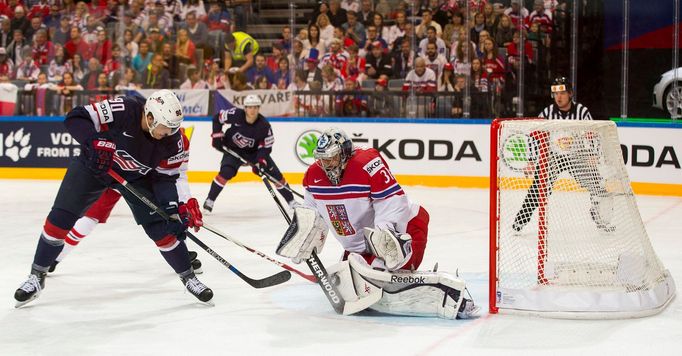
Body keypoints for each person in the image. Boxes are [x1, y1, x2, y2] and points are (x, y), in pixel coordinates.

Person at [13, 90, 211, 308]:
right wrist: (94, 141)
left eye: (175, 127)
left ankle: (189, 277)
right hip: (94, 168)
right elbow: (76, 117)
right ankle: (37, 276)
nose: (172, 132)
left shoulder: (174, 141)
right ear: (151, 117)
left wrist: (172, 208)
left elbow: (165, 179)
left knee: (162, 228)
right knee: (59, 220)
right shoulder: (125, 109)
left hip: (136, 178)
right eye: (168, 126)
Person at [276, 128, 477, 319]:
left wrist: (384, 242)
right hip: (362, 246)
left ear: (345, 153)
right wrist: (305, 238)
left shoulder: (366, 164)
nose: (327, 164)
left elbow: (393, 203)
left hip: (405, 231)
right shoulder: (313, 176)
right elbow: (313, 216)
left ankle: (445, 297)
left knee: (380, 281)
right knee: (354, 286)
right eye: (322, 159)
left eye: (332, 158)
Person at [48, 128, 204, 275]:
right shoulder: (135, 127)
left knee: (167, 217)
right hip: (113, 174)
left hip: (143, 182)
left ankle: (180, 255)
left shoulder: (179, 142)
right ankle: (54, 258)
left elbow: (178, 174)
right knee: (90, 218)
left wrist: (186, 201)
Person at [512, 77, 614, 233]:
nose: (558, 97)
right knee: (537, 188)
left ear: (570, 93)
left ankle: (600, 217)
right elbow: (533, 137)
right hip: (553, 157)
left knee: (597, 184)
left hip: (576, 156)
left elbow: (592, 134)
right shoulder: (546, 113)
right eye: (555, 94)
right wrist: (532, 160)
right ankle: (521, 221)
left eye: (562, 93)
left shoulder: (582, 111)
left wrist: (592, 154)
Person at [204, 94, 296, 212]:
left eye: (255, 107)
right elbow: (217, 118)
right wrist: (217, 136)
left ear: (259, 108)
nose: (252, 110)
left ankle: (292, 202)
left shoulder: (264, 126)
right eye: (249, 107)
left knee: (275, 176)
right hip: (233, 150)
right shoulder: (235, 114)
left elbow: (266, 147)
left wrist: (261, 161)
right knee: (226, 172)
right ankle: (210, 200)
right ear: (245, 108)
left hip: (254, 153)